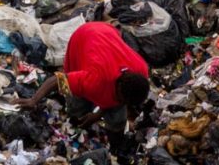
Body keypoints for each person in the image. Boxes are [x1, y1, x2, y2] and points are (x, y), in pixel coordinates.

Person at [20, 21, 150, 134]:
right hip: (84, 35)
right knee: (77, 104)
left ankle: (116, 144)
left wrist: (97, 115)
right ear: (119, 89)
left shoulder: (141, 71)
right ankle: (76, 120)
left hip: (108, 34)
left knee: (117, 116)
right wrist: (34, 100)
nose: (123, 104)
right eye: (123, 100)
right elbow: (57, 80)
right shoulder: (94, 80)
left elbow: (112, 101)